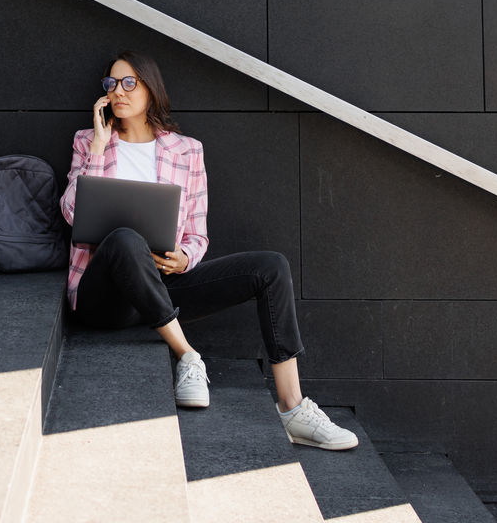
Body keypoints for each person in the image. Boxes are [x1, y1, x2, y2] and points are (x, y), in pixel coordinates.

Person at [59, 49, 358, 452]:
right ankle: (188, 355)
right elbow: (74, 216)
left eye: (130, 83)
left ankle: (293, 407)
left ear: (151, 89)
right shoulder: (89, 142)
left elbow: (198, 233)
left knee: (270, 267)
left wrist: (183, 257)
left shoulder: (187, 151)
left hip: (163, 283)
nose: (119, 92)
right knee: (126, 238)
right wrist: (97, 149)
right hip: (105, 297)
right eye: (111, 84)